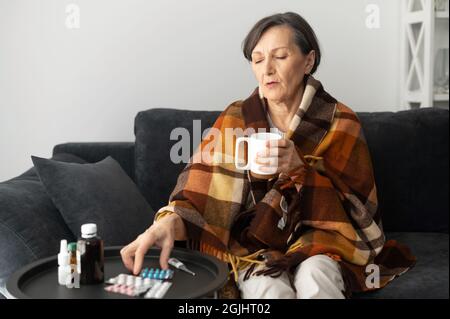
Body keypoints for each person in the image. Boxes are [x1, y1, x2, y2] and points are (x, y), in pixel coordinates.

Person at [121, 12, 415, 299]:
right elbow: (198, 197)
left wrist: (301, 171)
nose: (267, 69)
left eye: (281, 56)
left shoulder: (341, 121)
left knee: (316, 276)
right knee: (267, 287)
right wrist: (165, 224)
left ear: (308, 61)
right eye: (258, 59)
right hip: (253, 244)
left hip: (323, 240)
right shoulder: (236, 117)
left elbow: (358, 211)